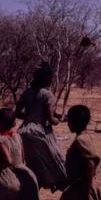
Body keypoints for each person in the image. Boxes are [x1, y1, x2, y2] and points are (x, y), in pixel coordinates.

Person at [15, 62, 67, 191]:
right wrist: (58, 120)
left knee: (33, 163)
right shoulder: (48, 95)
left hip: (24, 131)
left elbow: (17, 113)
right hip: (40, 132)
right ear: (47, 78)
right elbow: (50, 118)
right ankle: (58, 183)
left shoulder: (27, 92)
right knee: (56, 160)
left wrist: (29, 118)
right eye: (50, 77)